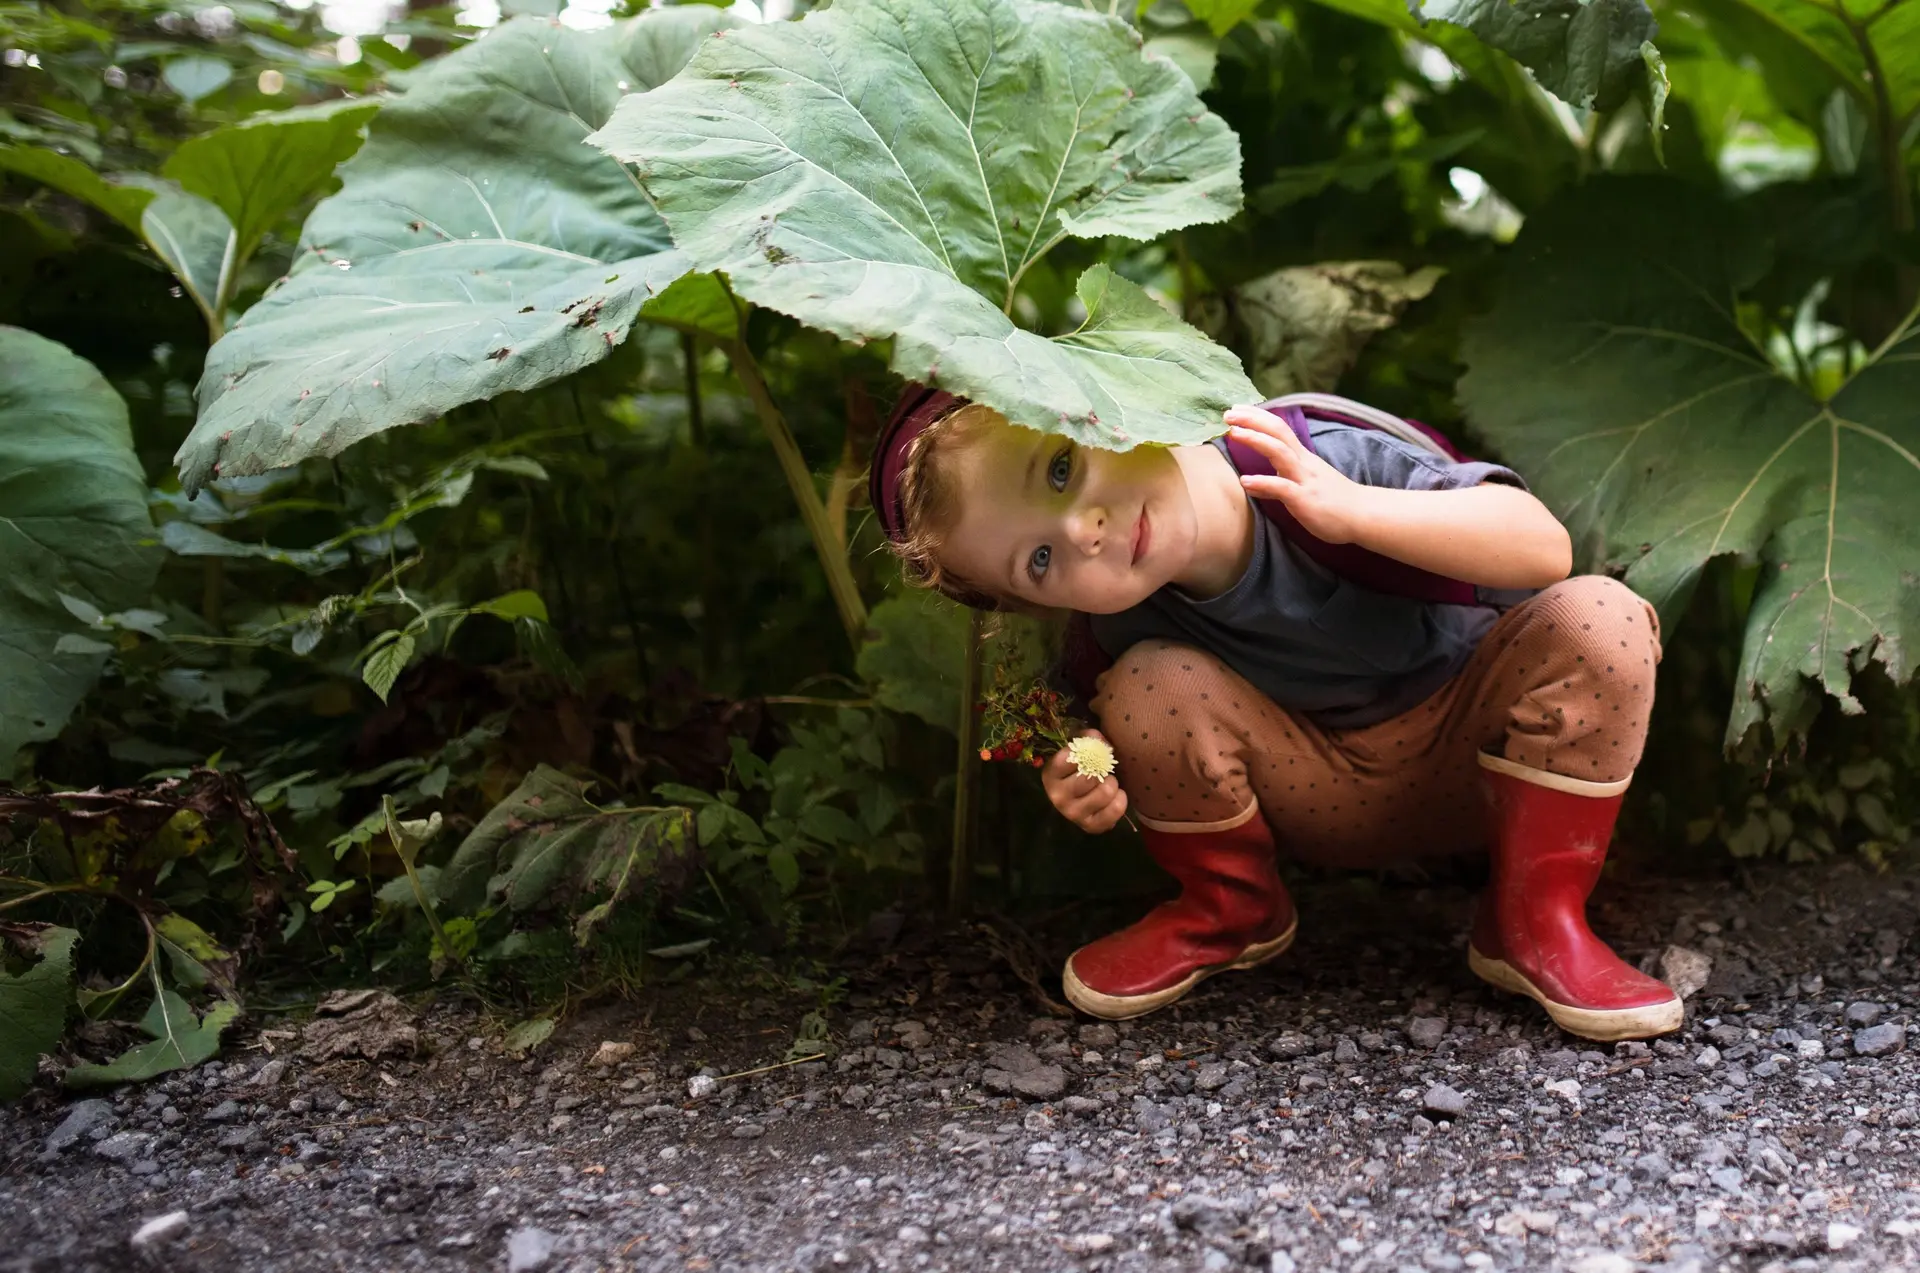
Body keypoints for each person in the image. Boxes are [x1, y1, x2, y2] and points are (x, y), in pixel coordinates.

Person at [867, 383, 1684, 1043]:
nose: (1083, 530)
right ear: (1027, 602)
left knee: (1600, 618)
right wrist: (1086, 770)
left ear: (1108, 395)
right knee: (1148, 686)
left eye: (1059, 469)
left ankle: (1535, 918)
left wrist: (1353, 509)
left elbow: (1544, 547)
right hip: (1317, 796)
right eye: (1039, 560)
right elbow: (1089, 733)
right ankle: (1232, 909)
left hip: (1478, 765)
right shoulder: (1118, 627)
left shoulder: (1304, 450)